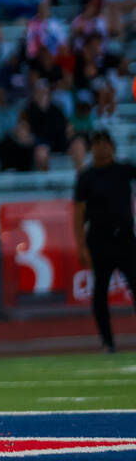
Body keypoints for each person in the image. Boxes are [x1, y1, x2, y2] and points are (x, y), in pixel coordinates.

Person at [73, 130, 136, 353]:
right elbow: (78, 213)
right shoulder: (86, 176)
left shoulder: (125, 169)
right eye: (97, 143)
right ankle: (107, 341)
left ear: (112, 146)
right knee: (100, 293)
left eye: (105, 143)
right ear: (92, 148)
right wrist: (81, 245)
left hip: (126, 239)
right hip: (100, 240)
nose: (101, 147)